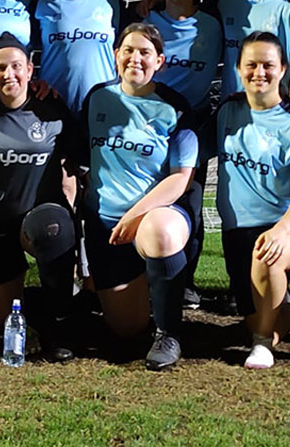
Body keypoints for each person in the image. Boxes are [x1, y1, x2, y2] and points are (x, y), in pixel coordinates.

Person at [81, 23, 200, 370]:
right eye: (128, 50)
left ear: (160, 61)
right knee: (126, 330)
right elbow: (77, 161)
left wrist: (136, 213)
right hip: (107, 230)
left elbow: (180, 178)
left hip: (154, 217)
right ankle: (149, 294)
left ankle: (169, 332)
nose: (135, 58)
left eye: (145, 52)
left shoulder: (174, 107)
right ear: (116, 55)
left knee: (159, 231)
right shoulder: (97, 98)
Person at [0, 32, 78, 360]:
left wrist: (69, 209)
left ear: (30, 69)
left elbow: (72, 163)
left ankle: (58, 322)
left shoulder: (52, 109)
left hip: (38, 219)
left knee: (54, 229)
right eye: (0, 68)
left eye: (15, 66)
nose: (8, 74)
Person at [215, 31, 290, 370]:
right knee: (260, 321)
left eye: (268, 65)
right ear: (237, 68)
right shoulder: (226, 111)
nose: (259, 72)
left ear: (283, 69)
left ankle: (262, 347)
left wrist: (282, 229)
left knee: (267, 254)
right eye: (251, 65)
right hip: (238, 232)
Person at [145, 0, 222, 308]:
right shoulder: (145, 21)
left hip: (194, 125)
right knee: (145, 197)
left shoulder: (213, 24)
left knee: (190, 201)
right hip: (149, 123)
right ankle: (140, 276)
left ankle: (185, 281)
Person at [33, 0, 122, 115]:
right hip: (54, 105)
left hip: (102, 104)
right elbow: (23, 48)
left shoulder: (110, 1)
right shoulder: (43, 2)